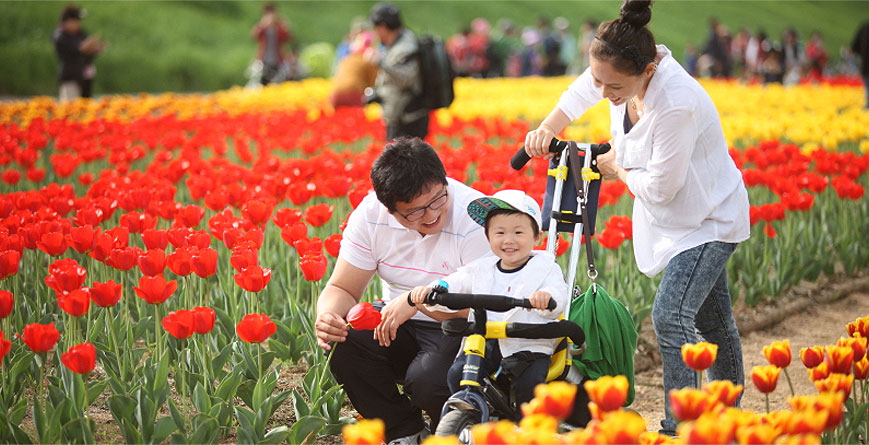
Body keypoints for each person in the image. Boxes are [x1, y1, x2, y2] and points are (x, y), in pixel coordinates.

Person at [523, 0, 749, 436]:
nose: (605, 93)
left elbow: (662, 188)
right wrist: (548, 127)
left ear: (647, 71)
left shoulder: (676, 103)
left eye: (615, 88)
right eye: (599, 81)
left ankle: (677, 426)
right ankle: (730, 413)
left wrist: (617, 169)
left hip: (710, 219)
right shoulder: (615, 69)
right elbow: (583, 90)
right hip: (676, 219)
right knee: (714, 322)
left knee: (670, 314)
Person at [315, 138, 490, 444]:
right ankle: (405, 431)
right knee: (343, 345)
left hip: (463, 326)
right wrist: (328, 316)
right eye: (414, 212)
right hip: (398, 321)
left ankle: (455, 429)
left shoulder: (475, 216)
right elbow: (342, 286)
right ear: (389, 209)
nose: (432, 214)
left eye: (438, 199)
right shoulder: (370, 216)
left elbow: (487, 305)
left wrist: (418, 303)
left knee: (428, 380)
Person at [409, 189, 568, 406]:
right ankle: (472, 411)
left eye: (518, 233)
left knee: (529, 386)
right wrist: (436, 289)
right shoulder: (481, 268)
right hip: (485, 342)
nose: (508, 240)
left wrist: (546, 297)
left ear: (537, 236)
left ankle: (527, 430)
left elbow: (558, 295)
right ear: (488, 237)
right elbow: (457, 281)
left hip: (527, 344)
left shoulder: (545, 268)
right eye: (500, 233)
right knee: (457, 375)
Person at [366, 3, 428, 141]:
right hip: (398, 116)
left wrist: (381, 63)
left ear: (383, 26)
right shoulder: (394, 44)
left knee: (403, 161)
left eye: (375, 28)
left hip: (409, 118)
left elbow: (406, 78)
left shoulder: (406, 47)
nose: (375, 32)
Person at [52, 4, 107, 101]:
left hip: (84, 77)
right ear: (67, 21)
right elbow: (79, 48)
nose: (78, 23)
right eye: (75, 21)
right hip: (70, 77)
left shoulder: (80, 33)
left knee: (85, 108)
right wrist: (88, 45)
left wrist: (96, 49)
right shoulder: (60, 35)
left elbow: (86, 52)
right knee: (70, 108)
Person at [329, 31, 379, 108]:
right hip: (354, 93)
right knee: (356, 118)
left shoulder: (347, 59)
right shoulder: (367, 60)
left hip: (335, 93)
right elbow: (373, 83)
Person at [250, 3, 294, 85]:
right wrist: (263, 25)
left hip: (278, 60)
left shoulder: (279, 26)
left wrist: (285, 27)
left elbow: (288, 38)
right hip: (264, 59)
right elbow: (255, 35)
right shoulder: (263, 26)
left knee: (279, 82)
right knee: (261, 82)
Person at [852, 21, 869, 108]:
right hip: (866, 64)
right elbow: (856, 45)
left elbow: (855, 46)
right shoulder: (864, 27)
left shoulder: (864, 27)